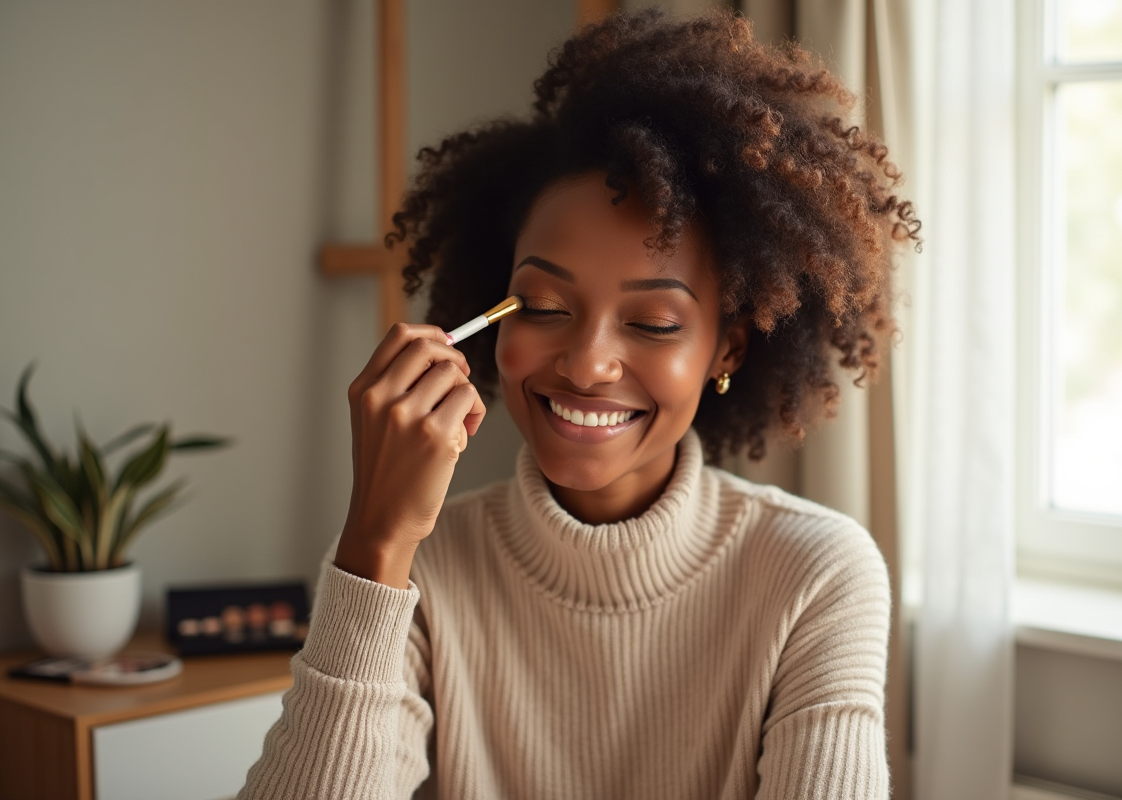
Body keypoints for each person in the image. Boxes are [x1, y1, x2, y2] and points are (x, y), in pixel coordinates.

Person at [239, 8, 919, 799]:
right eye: (543, 306)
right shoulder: (405, 570)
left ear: (727, 348)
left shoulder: (815, 574)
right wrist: (376, 540)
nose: (589, 362)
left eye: (654, 322)